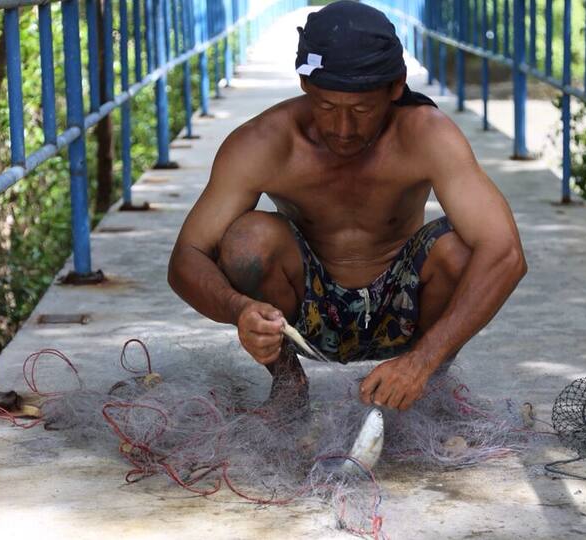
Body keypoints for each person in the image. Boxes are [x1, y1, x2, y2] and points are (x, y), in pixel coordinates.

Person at [168, 1, 527, 413]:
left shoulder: (427, 134)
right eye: (326, 107)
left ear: (396, 87)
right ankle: (288, 384)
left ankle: (427, 383)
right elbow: (186, 257)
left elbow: (506, 254)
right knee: (247, 240)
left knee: (462, 248)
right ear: (305, 83)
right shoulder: (263, 143)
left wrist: (422, 361)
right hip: (305, 315)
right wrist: (240, 310)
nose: (342, 129)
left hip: (403, 309)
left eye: (361, 110)